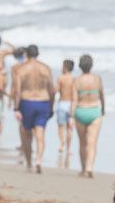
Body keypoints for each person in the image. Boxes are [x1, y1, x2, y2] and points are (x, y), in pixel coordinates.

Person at [13, 44, 54, 173]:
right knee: (40, 133)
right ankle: (39, 160)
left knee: (27, 134)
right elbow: (52, 90)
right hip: (43, 101)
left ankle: (29, 162)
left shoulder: (21, 69)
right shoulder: (46, 68)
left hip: (27, 102)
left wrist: (16, 108)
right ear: (38, 54)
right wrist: (51, 106)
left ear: (27, 54)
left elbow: (18, 91)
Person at [71, 54, 104, 178]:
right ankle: (90, 167)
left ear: (80, 66)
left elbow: (74, 100)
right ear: (91, 65)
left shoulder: (77, 80)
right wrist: (104, 109)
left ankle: (83, 168)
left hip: (81, 110)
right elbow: (102, 95)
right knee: (92, 142)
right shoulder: (97, 79)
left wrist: (71, 115)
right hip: (95, 111)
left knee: (82, 142)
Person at [54, 59, 76, 169]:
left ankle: (62, 143)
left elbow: (56, 90)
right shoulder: (74, 79)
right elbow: (75, 94)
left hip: (62, 103)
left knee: (60, 126)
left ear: (65, 67)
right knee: (70, 128)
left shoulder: (61, 78)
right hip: (71, 103)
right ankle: (69, 149)